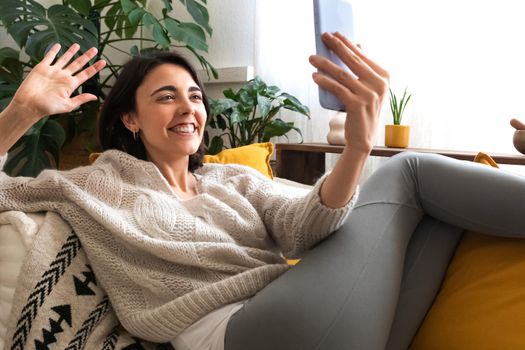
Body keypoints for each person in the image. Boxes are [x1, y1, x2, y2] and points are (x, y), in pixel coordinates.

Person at [0, 33, 522, 350]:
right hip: (249, 334)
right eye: (166, 97)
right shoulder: (97, 183)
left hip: (317, 324)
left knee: (441, 220)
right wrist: (21, 113)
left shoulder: (233, 179)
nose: (189, 108)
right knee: (407, 171)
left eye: (196, 96)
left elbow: (307, 229)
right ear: (131, 119)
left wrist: (357, 150)